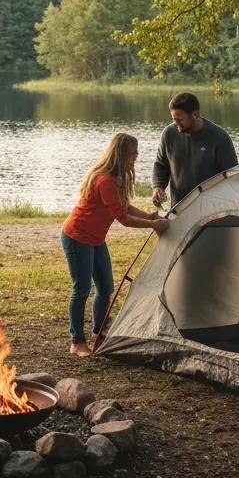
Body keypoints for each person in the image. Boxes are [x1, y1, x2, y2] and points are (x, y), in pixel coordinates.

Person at [62, 133, 169, 356]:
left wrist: (149, 216)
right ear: (120, 154)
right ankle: (77, 342)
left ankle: (99, 334)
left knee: (106, 288)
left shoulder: (117, 178)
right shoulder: (105, 180)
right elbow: (124, 218)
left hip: (95, 239)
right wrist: (153, 225)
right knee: (81, 289)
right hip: (77, 237)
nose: (136, 156)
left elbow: (125, 207)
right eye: (133, 153)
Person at [151, 92, 238, 209]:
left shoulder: (220, 138)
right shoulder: (169, 134)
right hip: (178, 208)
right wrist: (158, 186)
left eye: (180, 120)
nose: (176, 124)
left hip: (210, 209)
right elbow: (161, 165)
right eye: (174, 119)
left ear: (195, 114)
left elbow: (230, 176)